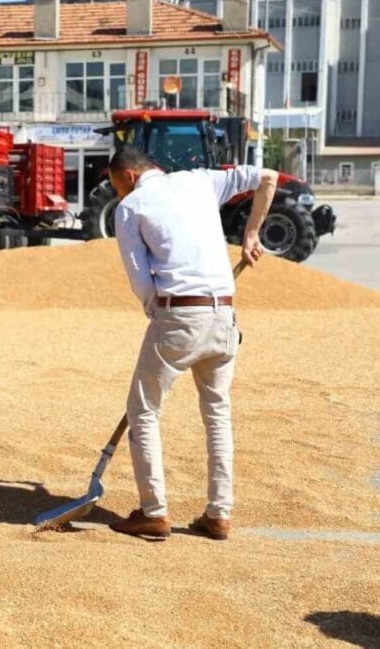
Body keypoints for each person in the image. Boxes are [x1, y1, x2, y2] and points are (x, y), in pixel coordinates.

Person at [105, 148, 277, 541]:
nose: (117, 195)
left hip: (179, 314)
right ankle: (218, 514)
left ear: (129, 176)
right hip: (224, 315)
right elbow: (268, 177)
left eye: (116, 186)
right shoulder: (202, 180)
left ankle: (154, 511)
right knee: (217, 413)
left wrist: (158, 313)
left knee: (143, 411)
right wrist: (251, 233)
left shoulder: (131, 207)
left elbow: (141, 281)